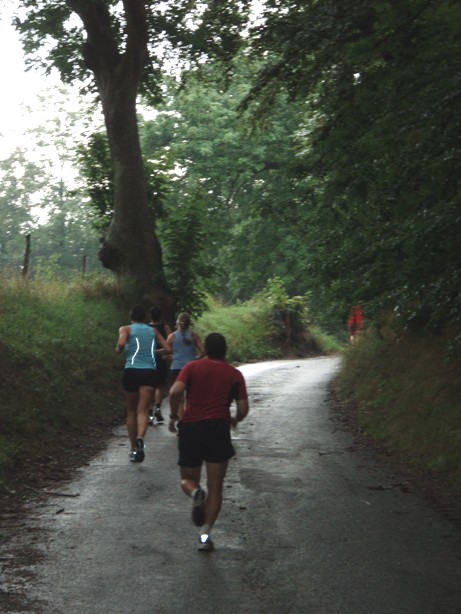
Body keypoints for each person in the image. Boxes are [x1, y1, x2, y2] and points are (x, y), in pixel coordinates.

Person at [168, 332, 249, 551]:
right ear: (225, 351)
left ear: (206, 349)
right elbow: (243, 409)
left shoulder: (192, 367)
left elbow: (175, 391)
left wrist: (175, 416)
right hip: (217, 430)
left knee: (187, 479)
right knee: (216, 487)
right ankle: (204, 535)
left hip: (192, 429)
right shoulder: (234, 374)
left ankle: (195, 493)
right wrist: (234, 419)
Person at [116, 305, 170, 462]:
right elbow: (167, 348)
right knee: (143, 410)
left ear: (132, 317)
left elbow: (120, 344)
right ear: (144, 318)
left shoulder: (126, 329)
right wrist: (153, 352)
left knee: (131, 411)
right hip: (149, 372)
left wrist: (119, 349)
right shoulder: (152, 331)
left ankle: (134, 448)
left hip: (132, 371)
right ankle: (140, 437)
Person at [166, 312, 205, 420]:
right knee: (191, 397)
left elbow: (166, 353)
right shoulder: (194, 336)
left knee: (179, 398)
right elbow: (203, 351)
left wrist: (171, 357)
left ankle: (182, 423)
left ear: (177, 322)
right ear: (189, 323)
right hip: (192, 369)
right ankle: (191, 420)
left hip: (177, 368)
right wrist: (196, 358)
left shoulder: (172, 337)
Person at [148, 305, 172, 425]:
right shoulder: (165, 327)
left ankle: (149, 414)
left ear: (150, 316)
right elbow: (170, 342)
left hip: (148, 359)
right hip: (161, 358)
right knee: (159, 386)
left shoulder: (146, 328)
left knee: (149, 387)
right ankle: (157, 408)